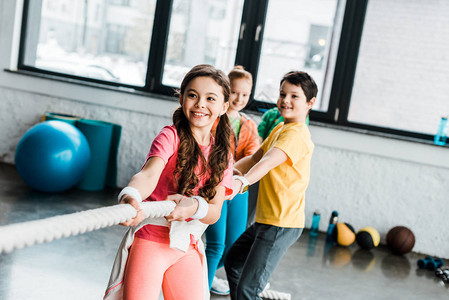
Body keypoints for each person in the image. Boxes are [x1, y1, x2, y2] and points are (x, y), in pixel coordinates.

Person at [103, 64, 234, 300]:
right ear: (182, 98)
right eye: (192, 95)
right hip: (151, 240)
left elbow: (214, 212)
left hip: (187, 245)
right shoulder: (170, 136)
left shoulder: (223, 155)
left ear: (224, 107)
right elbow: (149, 174)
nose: (200, 104)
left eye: (210, 98)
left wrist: (194, 207)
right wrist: (131, 194)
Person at [224, 71, 317, 300]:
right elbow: (255, 159)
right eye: (283, 94)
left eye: (294, 96)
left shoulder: (296, 135)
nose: (286, 100)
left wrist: (242, 182)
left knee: (249, 288)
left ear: (310, 103)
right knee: (234, 262)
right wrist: (225, 173)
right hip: (268, 220)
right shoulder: (281, 128)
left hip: (281, 223)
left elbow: (267, 162)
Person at [205, 66, 260, 295]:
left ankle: (199, 270)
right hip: (215, 187)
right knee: (216, 247)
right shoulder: (213, 119)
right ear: (227, 91)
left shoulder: (249, 126)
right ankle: (200, 288)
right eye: (235, 92)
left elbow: (253, 155)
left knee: (233, 247)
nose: (239, 98)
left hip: (238, 189)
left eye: (245, 94)